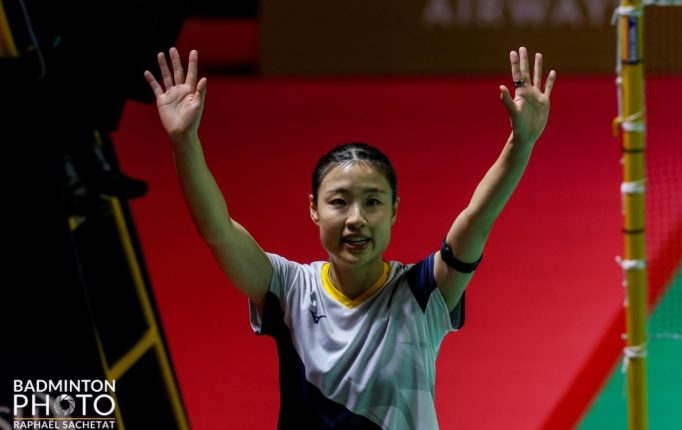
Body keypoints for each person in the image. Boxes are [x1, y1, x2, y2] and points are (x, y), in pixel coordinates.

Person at [144, 46, 556, 429]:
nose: (355, 219)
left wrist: (520, 144)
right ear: (313, 208)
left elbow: (476, 220)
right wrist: (184, 141)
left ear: (394, 210)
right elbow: (217, 230)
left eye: (373, 202)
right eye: (339, 202)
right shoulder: (290, 290)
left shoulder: (422, 294)